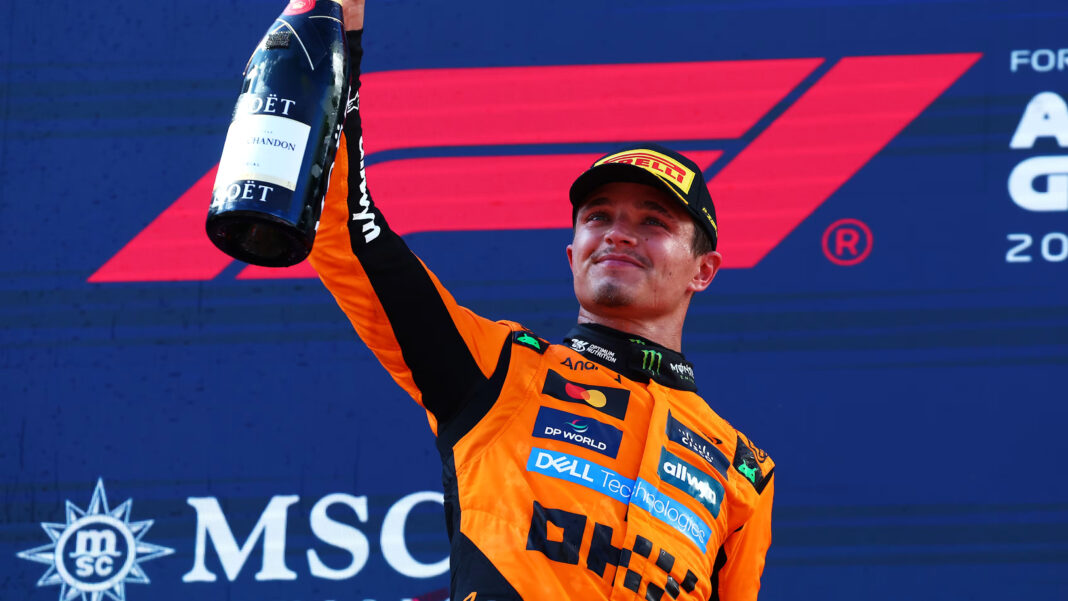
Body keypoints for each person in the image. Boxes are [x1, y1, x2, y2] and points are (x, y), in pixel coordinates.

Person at [311, 1, 774, 599]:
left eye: (653, 221)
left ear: (703, 271)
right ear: (573, 253)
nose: (618, 234)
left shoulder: (741, 470)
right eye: (598, 217)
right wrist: (337, 36)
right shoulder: (500, 369)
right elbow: (347, 235)